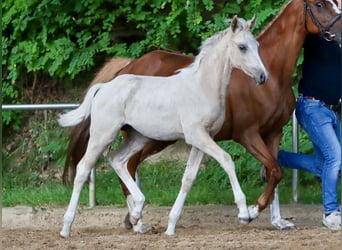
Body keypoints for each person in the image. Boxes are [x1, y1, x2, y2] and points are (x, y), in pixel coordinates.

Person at [277, 10, 341, 230]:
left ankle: (274, 158)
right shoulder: (313, 37)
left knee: (322, 164)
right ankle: (331, 212)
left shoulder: (337, 40)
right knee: (335, 157)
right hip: (312, 107)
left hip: (330, 111)